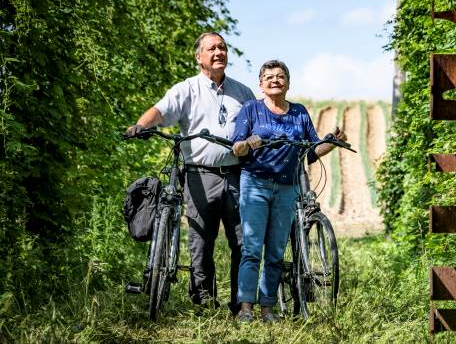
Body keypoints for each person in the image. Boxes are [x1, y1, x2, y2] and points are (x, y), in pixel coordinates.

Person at [125, 32, 254, 314]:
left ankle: (241, 306)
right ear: (199, 57)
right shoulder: (187, 89)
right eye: (212, 49)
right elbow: (161, 111)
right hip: (200, 175)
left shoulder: (243, 93)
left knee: (243, 242)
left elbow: (258, 128)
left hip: (237, 175)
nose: (218, 52)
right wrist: (141, 125)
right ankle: (204, 304)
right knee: (200, 241)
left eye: (222, 47)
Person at [231, 60, 345, 322]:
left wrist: (332, 142)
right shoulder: (251, 110)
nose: (275, 80)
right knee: (251, 248)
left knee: (275, 251)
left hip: (287, 187)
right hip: (255, 184)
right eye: (269, 77)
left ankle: (268, 308)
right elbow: (236, 148)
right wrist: (248, 143)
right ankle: (246, 309)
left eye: (280, 76)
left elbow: (312, 150)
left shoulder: (299, 113)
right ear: (260, 84)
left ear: (288, 83)